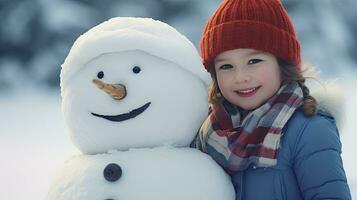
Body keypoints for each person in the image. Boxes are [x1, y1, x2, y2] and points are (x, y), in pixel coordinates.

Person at [195, 0, 352, 199]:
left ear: (282, 64)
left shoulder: (309, 131)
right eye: (226, 66)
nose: (240, 76)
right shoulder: (209, 133)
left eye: (254, 61)